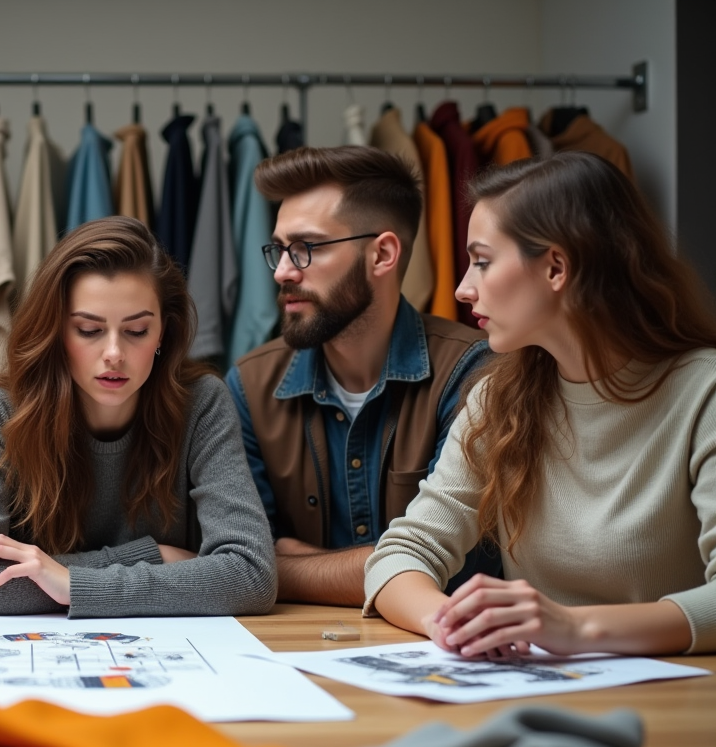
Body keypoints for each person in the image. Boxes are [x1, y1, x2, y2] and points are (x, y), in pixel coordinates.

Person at [366, 151, 716, 657]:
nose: (463, 288)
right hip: (539, 701)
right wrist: (450, 624)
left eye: (482, 261)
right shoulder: (498, 397)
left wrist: (573, 629)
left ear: (556, 267)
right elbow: (401, 553)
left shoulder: (702, 392)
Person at [0, 216, 277, 617]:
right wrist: (153, 556)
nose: (114, 353)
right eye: (88, 330)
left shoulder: (201, 403)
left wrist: (72, 582)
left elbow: (252, 575)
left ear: (163, 334)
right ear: (57, 331)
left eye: (136, 331)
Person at [226, 146, 496, 607]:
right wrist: (394, 569)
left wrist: (278, 569)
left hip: (438, 658)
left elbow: (463, 570)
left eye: (306, 248)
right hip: (294, 654)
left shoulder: (474, 374)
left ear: (382, 255)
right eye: (280, 250)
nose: (284, 271)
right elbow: (241, 558)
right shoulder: (250, 385)